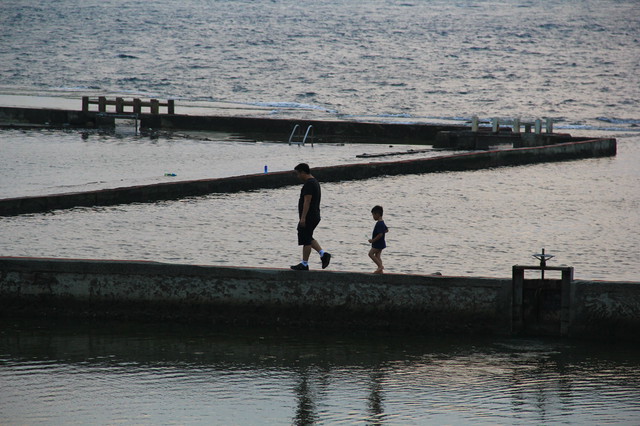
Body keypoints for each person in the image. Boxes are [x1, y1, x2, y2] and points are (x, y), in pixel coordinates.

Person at [291, 163, 331, 271]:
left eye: (298, 174)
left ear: (303, 172)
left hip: (309, 216)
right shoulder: (315, 182)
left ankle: (305, 264)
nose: (297, 177)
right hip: (314, 215)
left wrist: (303, 218)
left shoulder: (309, 184)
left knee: (306, 240)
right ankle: (323, 254)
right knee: (307, 236)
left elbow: (307, 201)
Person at [368, 205, 388, 274]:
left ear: (377, 214)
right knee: (377, 256)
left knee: (370, 254)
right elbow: (386, 230)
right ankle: (380, 270)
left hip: (378, 244)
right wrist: (382, 231)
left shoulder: (379, 224)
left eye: (373, 215)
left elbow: (380, 234)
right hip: (381, 243)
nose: (373, 217)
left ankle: (380, 266)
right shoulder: (382, 222)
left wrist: (372, 240)